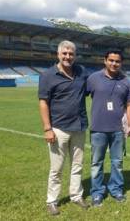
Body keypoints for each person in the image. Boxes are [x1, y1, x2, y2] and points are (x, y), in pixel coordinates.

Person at [38, 40, 89, 216]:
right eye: (64, 53)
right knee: (56, 168)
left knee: (77, 165)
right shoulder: (47, 75)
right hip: (58, 128)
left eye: (71, 54)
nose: (68, 57)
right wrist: (47, 128)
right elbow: (43, 102)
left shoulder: (82, 72)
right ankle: (52, 201)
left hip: (80, 127)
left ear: (75, 55)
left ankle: (76, 195)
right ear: (58, 54)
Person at [87, 49, 130, 207]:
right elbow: (80, 97)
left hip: (118, 130)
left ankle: (116, 190)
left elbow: (129, 105)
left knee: (117, 162)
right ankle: (97, 193)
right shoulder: (93, 78)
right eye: (111, 60)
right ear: (105, 60)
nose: (114, 63)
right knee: (96, 163)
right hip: (98, 129)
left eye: (117, 61)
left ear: (121, 63)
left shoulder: (126, 81)